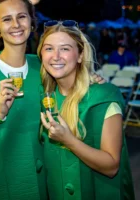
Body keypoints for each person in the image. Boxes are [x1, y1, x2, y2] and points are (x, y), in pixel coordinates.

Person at [0, 1, 105, 199]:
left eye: (22, 16)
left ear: (32, 22)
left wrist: (88, 77)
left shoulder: (45, 68)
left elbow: (72, 80)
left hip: (34, 184)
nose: (16, 24)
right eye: (7, 19)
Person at [37, 21, 135, 200]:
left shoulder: (102, 97)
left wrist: (68, 140)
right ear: (41, 54)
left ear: (80, 55)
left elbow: (112, 166)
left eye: (65, 49)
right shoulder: (44, 97)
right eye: (49, 48)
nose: (56, 56)